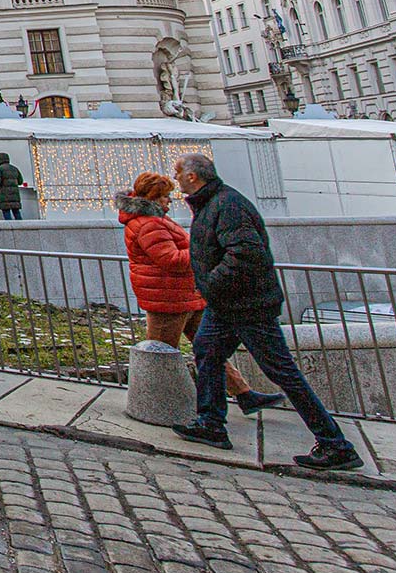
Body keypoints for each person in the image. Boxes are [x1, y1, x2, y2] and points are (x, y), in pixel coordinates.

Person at [169, 153, 362, 471]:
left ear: (193, 176)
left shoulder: (227, 205)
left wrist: (211, 284)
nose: (175, 178)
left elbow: (245, 253)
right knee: (206, 352)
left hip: (246, 305)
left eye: (178, 173)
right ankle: (210, 423)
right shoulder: (212, 202)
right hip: (227, 306)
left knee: (282, 371)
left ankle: (335, 444)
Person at [117, 173, 283, 416]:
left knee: (209, 349)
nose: (169, 201)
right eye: (164, 196)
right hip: (168, 298)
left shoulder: (155, 220)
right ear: (152, 198)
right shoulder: (149, 224)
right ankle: (151, 405)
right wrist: (203, 252)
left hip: (183, 295)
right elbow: (170, 259)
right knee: (159, 356)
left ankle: (243, 394)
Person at [0, 153, 24, 219]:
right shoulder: (14, 168)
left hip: (4, 195)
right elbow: (20, 181)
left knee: (6, 213)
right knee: (16, 212)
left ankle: (10, 228)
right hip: (15, 195)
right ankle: (21, 227)